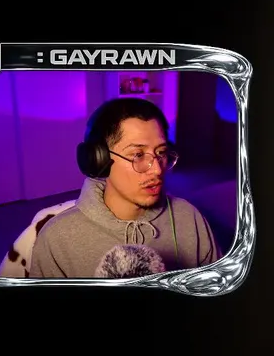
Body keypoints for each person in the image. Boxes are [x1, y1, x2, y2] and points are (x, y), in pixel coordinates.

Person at [29, 97, 220, 278]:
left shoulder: (189, 217)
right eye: (138, 155)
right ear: (99, 160)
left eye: (161, 152)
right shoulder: (57, 239)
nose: (157, 170)